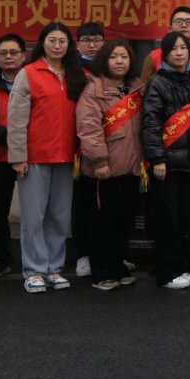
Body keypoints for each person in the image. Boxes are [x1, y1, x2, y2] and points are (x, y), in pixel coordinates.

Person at [8, 22, 87, 294]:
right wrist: (18, 156)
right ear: (43, 43)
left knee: (59, 216)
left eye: (62, 41)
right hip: (35, 157)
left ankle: (54, 268)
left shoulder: (76, 75)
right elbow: (16, 120)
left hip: (66, 157)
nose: (57, 46)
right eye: (52, 40)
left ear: (69, 46)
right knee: (34, 218)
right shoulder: (29, 73)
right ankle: (34, 271)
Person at [76, 40, 145, 291]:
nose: (119, 61)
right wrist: (100, 161)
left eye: (124, 57)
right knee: (103, 222)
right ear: (104, 60)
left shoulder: (136, 87)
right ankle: (102, 272)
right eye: (114, 56)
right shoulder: (93, 89)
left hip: (131, 167)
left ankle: (117, 266)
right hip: (104, 169)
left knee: (123, 221)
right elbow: (89, 129)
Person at [143, 32, 190, 290]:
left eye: (184, 48)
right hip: (166, 164)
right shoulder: (158, 83)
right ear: (165, 54)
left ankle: (183, 264)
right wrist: (157, 157)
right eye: (174, 48)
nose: (180, 52)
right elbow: (150, 123)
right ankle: (166, 271)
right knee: (166, 218)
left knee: (187, 217)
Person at [0, 33, 26, 278]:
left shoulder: (33, 81)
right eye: (3, 53)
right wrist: (10, 137)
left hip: (30, 158)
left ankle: (35, 260)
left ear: (23, 55)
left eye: (13, 52)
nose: (8, 57)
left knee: (35, 212)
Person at [73, 21, 106, 277]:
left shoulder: (112, 66)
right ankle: (83, 254)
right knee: (83, 201)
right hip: (80, 145)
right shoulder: (73, 69)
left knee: (109, 203)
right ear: (77, 44)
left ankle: (109, 253)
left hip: (113, 144)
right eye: (87, 40)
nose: (92, 45)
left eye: (97, 40)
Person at [140, 6, 190, 85]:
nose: (184, 25)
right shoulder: (153, 57)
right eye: (178, 21)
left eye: (189, 21)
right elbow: (144, 89)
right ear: (169, 29)